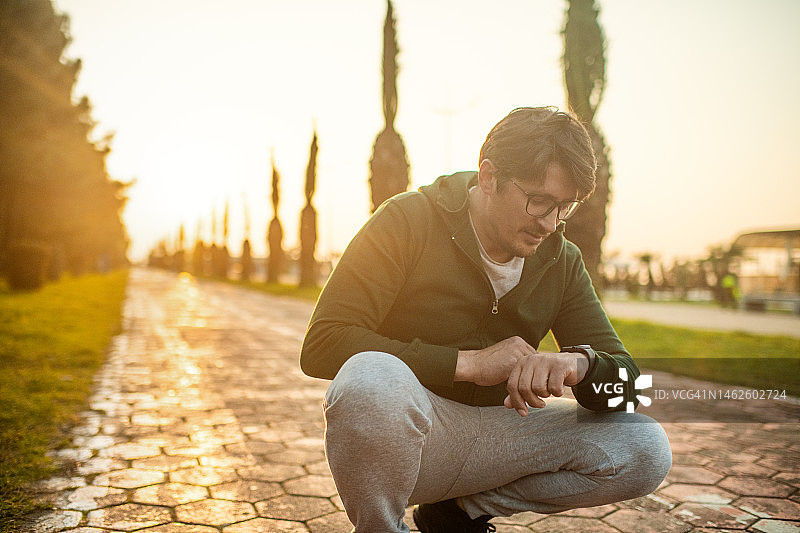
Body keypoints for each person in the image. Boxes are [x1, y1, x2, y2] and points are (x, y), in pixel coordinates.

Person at [300, 107, 672, 533]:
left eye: (563, 208)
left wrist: (579, 364)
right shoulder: (407, 220)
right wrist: (469, 364)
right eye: (539, 201)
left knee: (645, 445)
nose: (550, 224)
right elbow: (323, 345)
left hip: (505, 435)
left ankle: (459, 512)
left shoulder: (561, 260)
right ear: (490, 176)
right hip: (416, 438)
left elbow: (628, 384)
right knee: (369, 379)